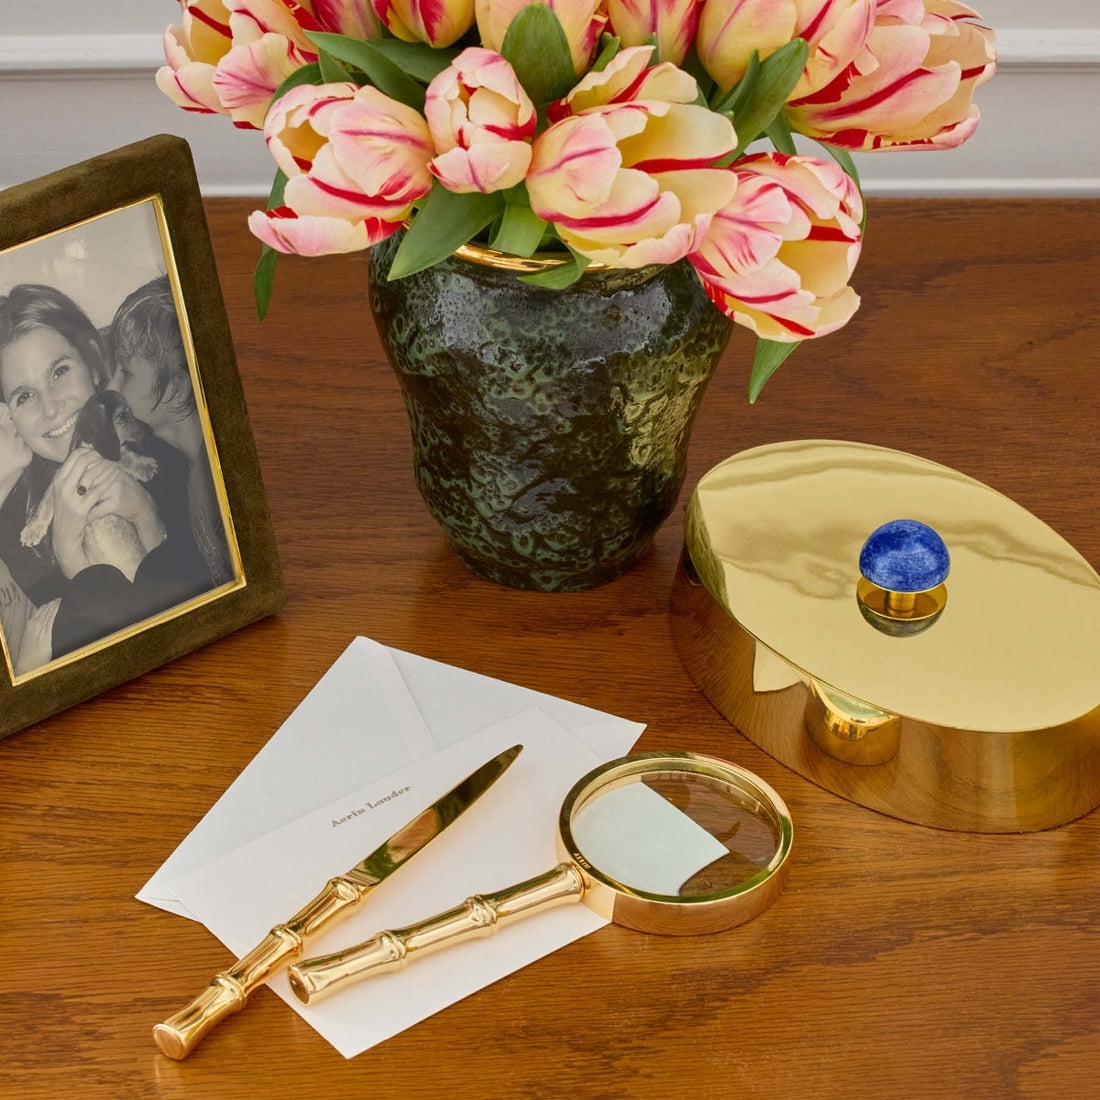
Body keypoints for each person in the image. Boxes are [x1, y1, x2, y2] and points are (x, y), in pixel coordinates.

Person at [0, 283, 213, 667]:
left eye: (60, 372)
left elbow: (207, 606)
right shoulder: (19, 521)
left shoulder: (161, 453)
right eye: (24, 396)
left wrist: (148, 519)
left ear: (94, 367)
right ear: (8, 416)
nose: (51, 407)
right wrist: (68, 551)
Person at [110, 274, 233, 586]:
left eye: (126, 373)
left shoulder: (217, 478)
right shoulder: (186, 469)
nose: (113, 386)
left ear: (176, 389)